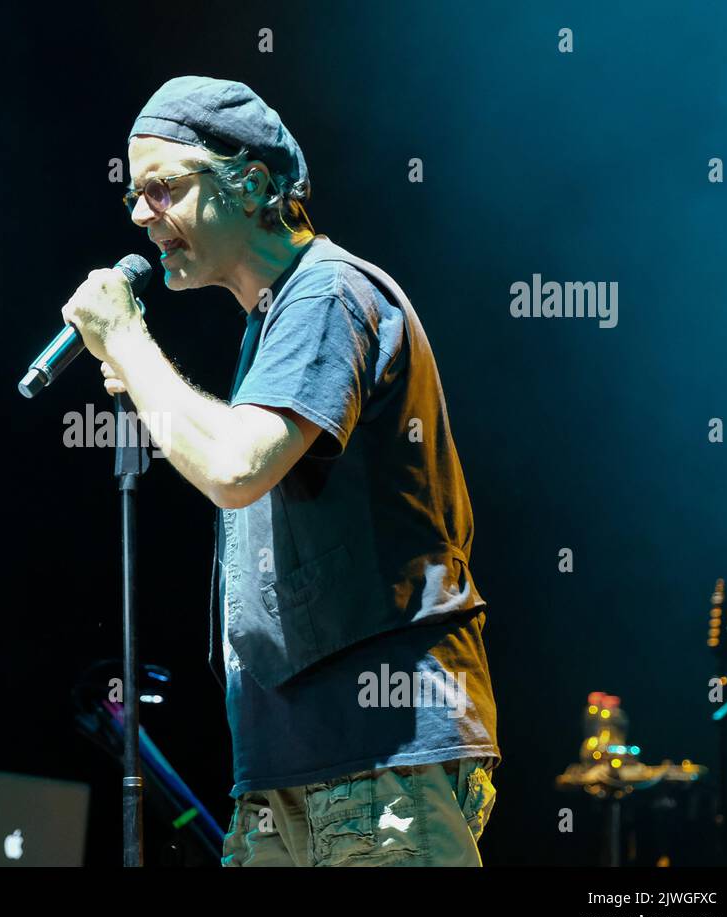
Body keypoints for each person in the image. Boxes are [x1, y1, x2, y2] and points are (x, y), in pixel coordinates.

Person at [61, 75, 499, 866]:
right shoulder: (270, 324)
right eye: (134, 194)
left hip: (377, 753)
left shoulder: (328, 293)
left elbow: (234, 466)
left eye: (161, 189)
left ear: (253, 184)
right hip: (284, 771)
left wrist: (128, 340)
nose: (137, 215)